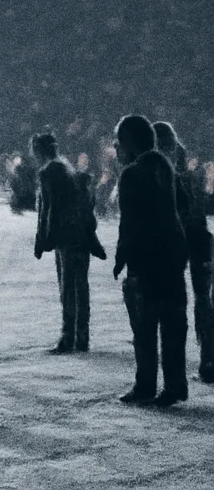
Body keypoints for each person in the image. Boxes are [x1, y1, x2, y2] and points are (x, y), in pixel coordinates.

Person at [113, 114, 189, 407]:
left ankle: (145, 385)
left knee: (144, 327)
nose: (117, 149)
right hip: (172, 253)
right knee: (172, 323)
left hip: (145, 259)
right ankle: (175, 385)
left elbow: (129, 224)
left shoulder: (131, 174)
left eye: (120, 142)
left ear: (130, 142)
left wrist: (121, 258)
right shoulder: (164, 166)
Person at [31, 132, 106, 354]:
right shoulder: (67, 167)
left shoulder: (48, 171)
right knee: (81, 287)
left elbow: (48, 208)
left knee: (68, 289)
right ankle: (82, 338)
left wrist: (42, 238)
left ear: (38, 150)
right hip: (81, 234)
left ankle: (68, 337)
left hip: (66, 236)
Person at [154, 121, 214, 383]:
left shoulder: (165, 174)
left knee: (176, 305)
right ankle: (208, 359)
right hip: (201, 240)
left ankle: (191, 367)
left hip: (181, 242)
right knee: (204, 301)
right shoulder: (187, 173)